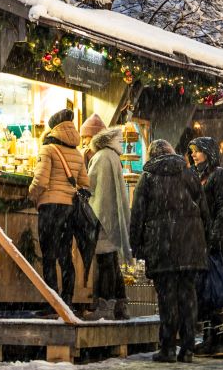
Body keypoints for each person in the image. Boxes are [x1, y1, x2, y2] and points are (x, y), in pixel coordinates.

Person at [129, 138, 209, 364]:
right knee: (188, 296)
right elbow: (204, 210)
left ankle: (167, 349)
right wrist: (204, 240)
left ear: (153, 156)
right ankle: (188, 348)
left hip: (161, 245)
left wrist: (136, 245)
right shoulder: (189, 174)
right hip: (190, 246)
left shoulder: (148, 178)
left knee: (167, 299)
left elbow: (138, 216)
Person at [29, 108, 90, 309]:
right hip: (69, 209)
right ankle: (67, 300)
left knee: (49, 256)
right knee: (65, 255)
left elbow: (40, 181)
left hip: (50, 208)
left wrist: (31, 195)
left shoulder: (48, 150)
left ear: (54, 128)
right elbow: (84, 184)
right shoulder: (77, 153)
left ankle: (52, 303)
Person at [189, 136, 223, 358]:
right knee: (206, 290)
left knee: (215, 288)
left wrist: (214, 235)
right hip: (201, 240)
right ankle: (211, 339)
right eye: (191, 151)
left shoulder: (219, 175)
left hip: (214, 241)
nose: (193, 154)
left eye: (197, 151)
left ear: (208, 152)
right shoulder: (199, 176)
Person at [84, 124, 133, 320]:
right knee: (112, 261)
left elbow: (93, 187)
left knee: (105, 261)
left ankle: (105, 306)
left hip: (102, 216)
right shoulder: (113, 157)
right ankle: (120, 306)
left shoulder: (101, 157)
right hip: (112, 215)